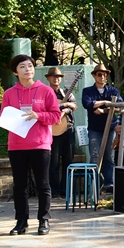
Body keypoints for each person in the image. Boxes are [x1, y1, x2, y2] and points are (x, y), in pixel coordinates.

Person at [2, 55, 61, 235]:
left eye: (30, 66)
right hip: (17, 145)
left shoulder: (46, 91)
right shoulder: (9, 94)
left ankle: (44, 220)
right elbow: (4, 118)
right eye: (22, 66)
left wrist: (38, 115)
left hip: (40, 144)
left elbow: (56, 116)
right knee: (19, 185)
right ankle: (21, 222)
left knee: (43, 184)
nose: (28, 69)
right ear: (15, 72)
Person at [82, 64, 121, 193]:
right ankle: (94, 186)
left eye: (105, 74)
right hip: (95, 129)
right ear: (94, 76)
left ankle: (109, 185)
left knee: (110, 158)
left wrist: (103, 109)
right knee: (95, 157)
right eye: (99, 74)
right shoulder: (87, 91)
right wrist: (107, 102)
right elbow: (87, 104)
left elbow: (119, 106)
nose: (102, 77)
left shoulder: (113, 90)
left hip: (110, 128)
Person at [45, 67, 78, 199]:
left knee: (68, 161)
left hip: (68, 129)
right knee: (53, 162)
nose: (56, 78)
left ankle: (67, 190)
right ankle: (54, 190)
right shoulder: (46, 93)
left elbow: (74, 106)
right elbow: (46, 108)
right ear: (48, 78)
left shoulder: (66, 93)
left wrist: (63, 111)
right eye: (53, 76)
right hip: (53, 131)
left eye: (58, 76)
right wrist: (64, 106)